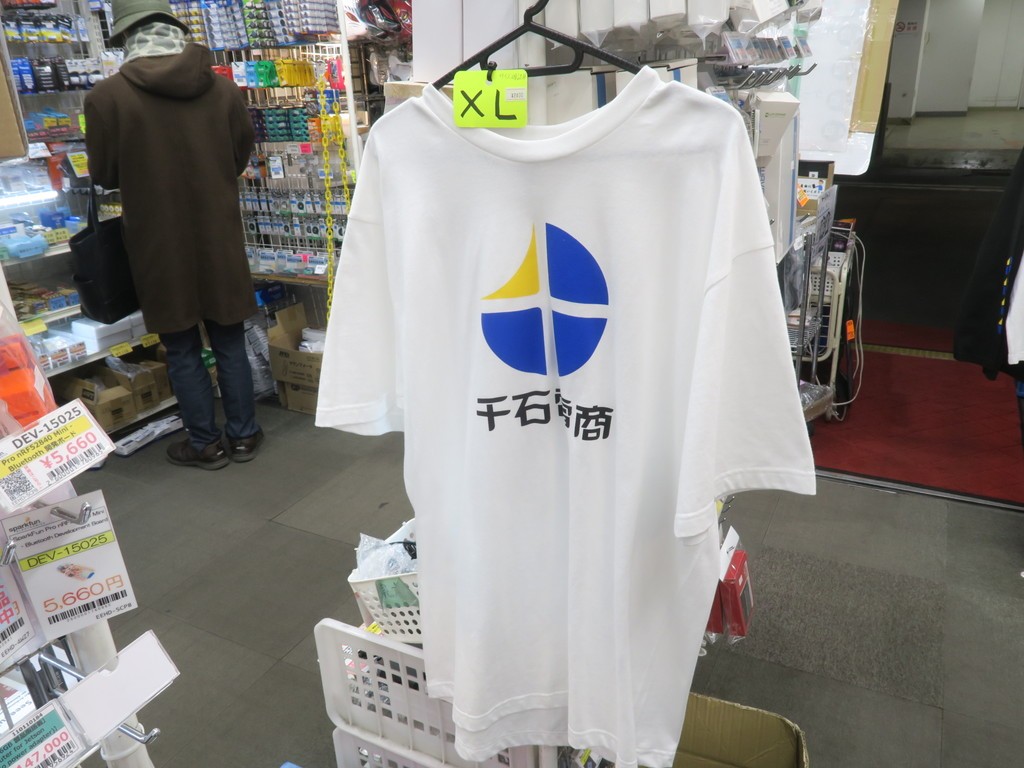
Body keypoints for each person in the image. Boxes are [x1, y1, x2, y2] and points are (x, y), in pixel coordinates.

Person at [84, 0, 263, 470]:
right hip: (218, 232)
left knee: (182, 346)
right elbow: (239, 155)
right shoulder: (222, 89)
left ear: (126, 36)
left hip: (157, 240)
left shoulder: (106, 97)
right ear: (174, 29)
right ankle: (244, 436)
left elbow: (104, 174)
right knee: (229, 338)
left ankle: (204, 443)